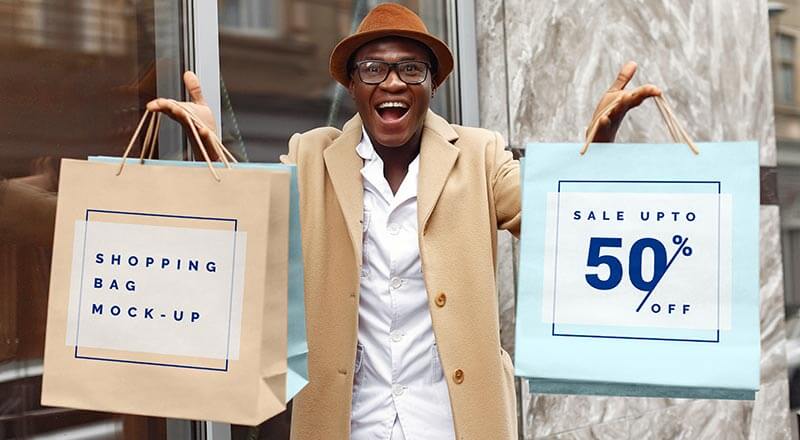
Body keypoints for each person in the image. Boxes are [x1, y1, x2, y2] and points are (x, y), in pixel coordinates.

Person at [147, 4, 660, 439]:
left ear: (431, 84)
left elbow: (553, 217)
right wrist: (213, 155)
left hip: (454, 422)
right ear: (353, 84)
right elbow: (255, 227)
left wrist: (595, 157)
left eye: (411, 69)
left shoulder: (480, 154)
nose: (392, 82)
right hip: (351, 422)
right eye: (372, 68)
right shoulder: (310, 155)